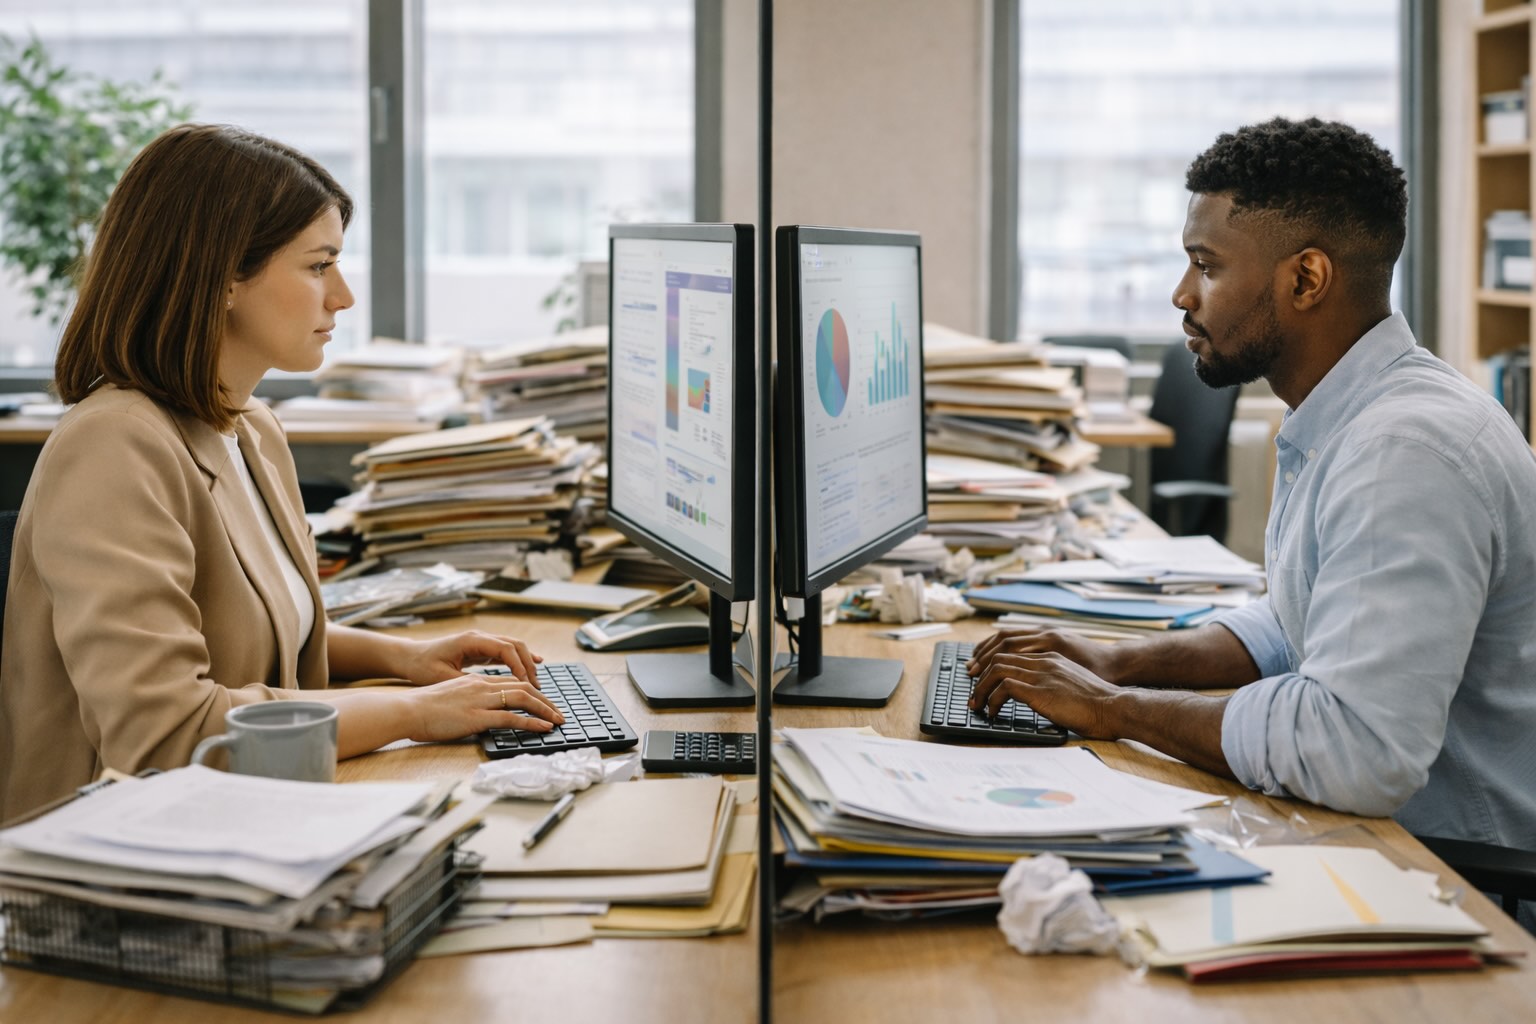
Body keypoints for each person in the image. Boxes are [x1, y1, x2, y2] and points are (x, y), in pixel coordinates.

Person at [968, 118, 1536, 855]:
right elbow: (1294, 622)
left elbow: (1353, 750)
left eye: (1206, 266)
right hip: (1373, 835)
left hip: (1456, 875)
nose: (1181, 295)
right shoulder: (1349, 413)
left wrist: (1116, 708)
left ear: (1306, 279)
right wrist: (1116, 658)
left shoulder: (1405, 453)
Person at [0, 124, 564, 824]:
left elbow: (262, 637)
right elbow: (169, 733)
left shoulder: (249, 426)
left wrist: (410, 658)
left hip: (246, 816)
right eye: (319, 265)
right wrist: (414, 711)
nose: (345, 297)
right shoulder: (113, 446)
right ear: (223, 276)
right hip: (111, 862)